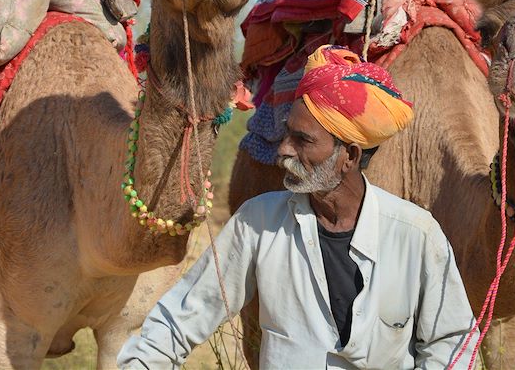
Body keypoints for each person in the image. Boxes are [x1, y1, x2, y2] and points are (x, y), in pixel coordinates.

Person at [117, 45, 478, 369]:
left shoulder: (417, 236)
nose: (284, 150)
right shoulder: (257, 224)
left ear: (348, 157)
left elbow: (452, 344)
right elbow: (177, 322)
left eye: (302, 140)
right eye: (288, 134)